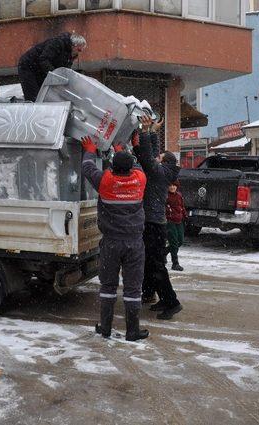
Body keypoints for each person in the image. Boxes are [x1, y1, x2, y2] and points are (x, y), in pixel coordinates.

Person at [80, 135, 149, 342]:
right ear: (130, 169)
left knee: (108, 286)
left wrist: (90, 149)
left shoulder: (106, 182)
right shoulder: (139, 179)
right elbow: (138, 167)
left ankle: (106, 328)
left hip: (111, 242)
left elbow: (87, 166)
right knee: (133, 288)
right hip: (134, 243)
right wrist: (122, 150)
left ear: (112, 167)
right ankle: (132, 331)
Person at [133, 116, 183, 320]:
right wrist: (153, 132)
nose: (157, 157)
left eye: (160, 157)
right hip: (155, 224)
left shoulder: (158, 173)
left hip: (153, 225)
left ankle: (172, 302)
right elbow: (151, 156)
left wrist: (145, 132)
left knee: (156, 265)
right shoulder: (164, 171)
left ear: (164, 163)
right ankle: (161, 298)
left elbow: (146, 158)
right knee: (153, 264)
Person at [17, 33, 86, 101]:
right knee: (33, 95)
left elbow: (65, 70)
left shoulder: (71, 54)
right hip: (28, 66)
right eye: (79, 50)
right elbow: (44, 59)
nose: (79, 53)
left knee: (44, 94)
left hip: (40, 69)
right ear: (73, 45)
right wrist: (55, 75)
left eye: (81, 51)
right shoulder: (57, 43)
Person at [166, 180, 187, 271]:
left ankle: (163, 252)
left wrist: (185, 215)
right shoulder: (165, 196)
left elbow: (182, 207)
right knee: (174, 242)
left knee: (180, 241)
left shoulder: (179, 195)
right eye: (170, 185)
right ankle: (175, 263)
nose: (172, 187)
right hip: (169, 221)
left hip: (179, 220)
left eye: (174, 185)